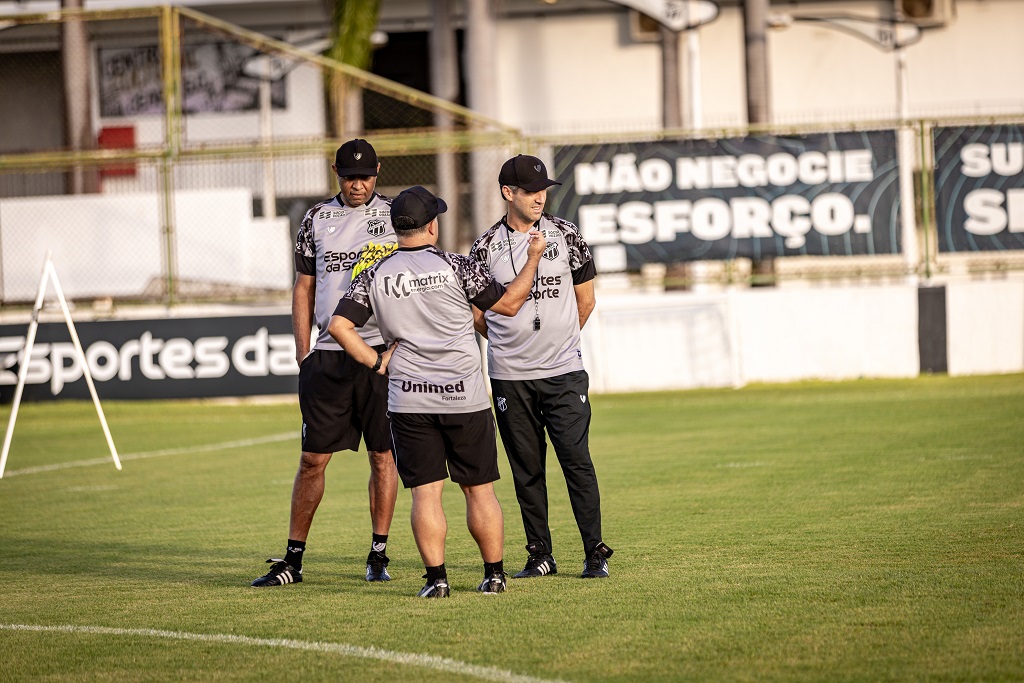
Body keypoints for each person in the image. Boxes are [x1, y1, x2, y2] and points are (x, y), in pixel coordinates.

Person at [328, 185, 546, 598]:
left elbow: (339, 326)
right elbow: (512, 304)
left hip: (409, 398)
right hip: (464, 394)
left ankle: (437, 580)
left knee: (425, 493)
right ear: (432, 225)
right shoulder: (455, 265)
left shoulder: (375, 273)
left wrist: (376, 362)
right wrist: (533, 258)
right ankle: (494, 575)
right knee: (479, 489)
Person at [252, 139, 400, 587]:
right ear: (336, 172)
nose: (358, 185)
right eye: (349, 176)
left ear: (377, 172)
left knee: (383, 457)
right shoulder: (316, 218)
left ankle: (378, 553)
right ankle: (293, 560)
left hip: (379, 353)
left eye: (366, 176)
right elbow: (304, 287)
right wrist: (304, 352)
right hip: (329, 357)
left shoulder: (398, 214)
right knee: (312, 459)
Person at [469, 154, 613, 579]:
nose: (539, 197)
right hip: (509, 377)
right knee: (526, 470)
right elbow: (478, 314)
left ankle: (594, 554)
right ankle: (539, 555)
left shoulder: (567, 235)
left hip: (564, 373)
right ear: (507, 193)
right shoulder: (484, 247)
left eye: (543, 189)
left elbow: (585, 300)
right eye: (530, 190)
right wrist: (512, 345)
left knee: (576, 460)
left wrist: (558, 342)